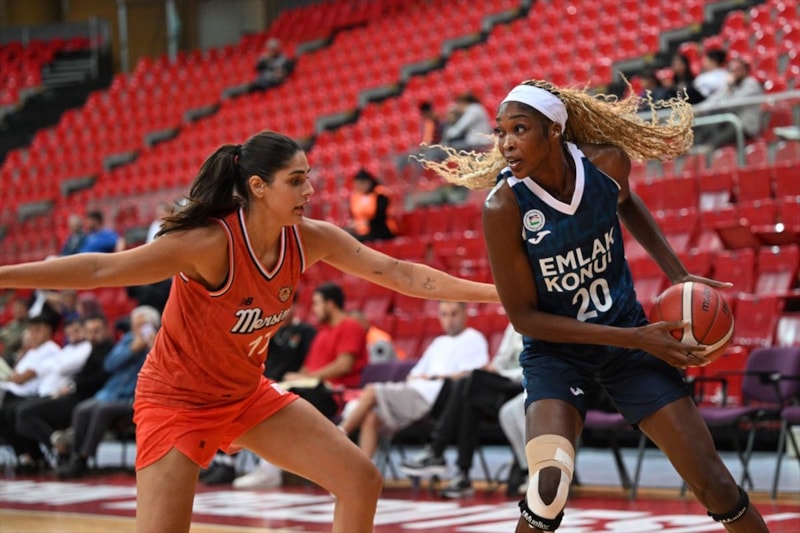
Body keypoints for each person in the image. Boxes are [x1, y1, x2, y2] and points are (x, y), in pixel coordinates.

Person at [0, 129, 498, 533]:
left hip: (244, 396)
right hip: (176, 402)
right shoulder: (208, 243)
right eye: (296, 181)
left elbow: (401, 273)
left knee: (360, 480)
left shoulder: (309, 239)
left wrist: (499, 295)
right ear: (259, 187)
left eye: (308, 178)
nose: (310, 191)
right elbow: (99, 270)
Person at [419, 80, 767, 532]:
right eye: (501, 131)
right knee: (547, 489)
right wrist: (634, 337)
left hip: (628, 346)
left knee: (716, 484)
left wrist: (678, 274)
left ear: (554, 131)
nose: (506, 143)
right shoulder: (503, 206)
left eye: (519, 129)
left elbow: (627, 201)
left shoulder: (606, 164)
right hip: (558, 355)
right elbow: (525, 319)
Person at [337, 301, 489, 459]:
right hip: (415, 392)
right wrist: (425, 378)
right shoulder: (438, 343)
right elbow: (414, 374)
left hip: (434, 398)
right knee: (370, 417)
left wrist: (434, 377)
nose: (449, 320)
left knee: (372, 390)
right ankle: (365, 472)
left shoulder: (474, 339)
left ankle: (338, 436)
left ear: (464, 314)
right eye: (444, 315)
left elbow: (472, 374)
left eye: (454, 314)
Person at [400, 322, 523, 498]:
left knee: (470, 383)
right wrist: (492, 368)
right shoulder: (513, 324)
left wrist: (500, 374)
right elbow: (501, 359)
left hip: (522, 384)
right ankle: (462, 474)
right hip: (503, 382)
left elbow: (533, 367)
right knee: (468, 393)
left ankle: (437, 450)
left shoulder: (541, 322)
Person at [57, 305, 160, 479]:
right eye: (134, 325)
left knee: (102, 410)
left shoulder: (158, 343)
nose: (136, 329)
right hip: (110, 393)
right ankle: (75, 455)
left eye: (141, 325)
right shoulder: (128, 340)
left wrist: (151, 347)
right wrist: (131, 350)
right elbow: (109, 364)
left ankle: (85, 457)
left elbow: (159, 370)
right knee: (82, 409)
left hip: (132, 398)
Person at [15, 315, 115, 465]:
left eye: (97, 331)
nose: (93, 336)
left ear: (107, 329)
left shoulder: (105, 350)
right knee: (20, 411)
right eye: (90, 331)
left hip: (83, 396)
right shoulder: (90, 348)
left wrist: (73, 386)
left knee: (25, 413)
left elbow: (97, 377)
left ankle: (59, 448)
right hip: (70, 391)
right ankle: (53, 445)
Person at [0, 313, 61, 471]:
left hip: (31, 394)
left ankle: (33, 455)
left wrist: (12, 377)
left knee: (12, 412)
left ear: (47, 330)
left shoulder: (50, 349)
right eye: (31, 330)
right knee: (5, 413)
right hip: (14, 392)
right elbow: (16, 373)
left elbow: (22, 377)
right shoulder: (33, 351)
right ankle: (25, 455)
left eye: (37, 330)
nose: (33, 334)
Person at [693, 57, 764, 150]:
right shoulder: (731, 85)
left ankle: (708, 148)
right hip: (729, 120)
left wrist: (729, 87)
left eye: (737, 70)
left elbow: (732, 105)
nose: (734, 73)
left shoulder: (751, 84)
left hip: (746, 126)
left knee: (728, 122)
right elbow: (715, 99)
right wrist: (697, 109)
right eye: (731, 70)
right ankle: (695, 148)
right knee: (706, 120)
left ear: (745, 71)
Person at [346, 168, 398, 242]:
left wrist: (364, 223)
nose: (358, 187)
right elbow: (353, 215)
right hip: (362, 230)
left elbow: (381, 217)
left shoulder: (380, 195)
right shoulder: (356, 197)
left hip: (381, 229)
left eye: (360, 184)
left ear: (368, 183)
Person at [0, 298, 30, 364]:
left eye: (21, 308)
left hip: (16, 358)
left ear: (26, 310)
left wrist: (5, 338)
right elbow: (2, 333)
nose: (18, 310)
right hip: (5, 356)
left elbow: (13, 342)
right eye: (16, 308)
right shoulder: (12, 323)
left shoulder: (30, 326)